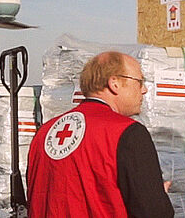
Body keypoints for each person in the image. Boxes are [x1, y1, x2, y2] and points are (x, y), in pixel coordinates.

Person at [27, 51, 174, 217]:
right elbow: (152, 212)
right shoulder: (127, 133)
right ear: (114, 83)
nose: (144, 90)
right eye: (140, 82)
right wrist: (156, 199)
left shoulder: (44, 134)